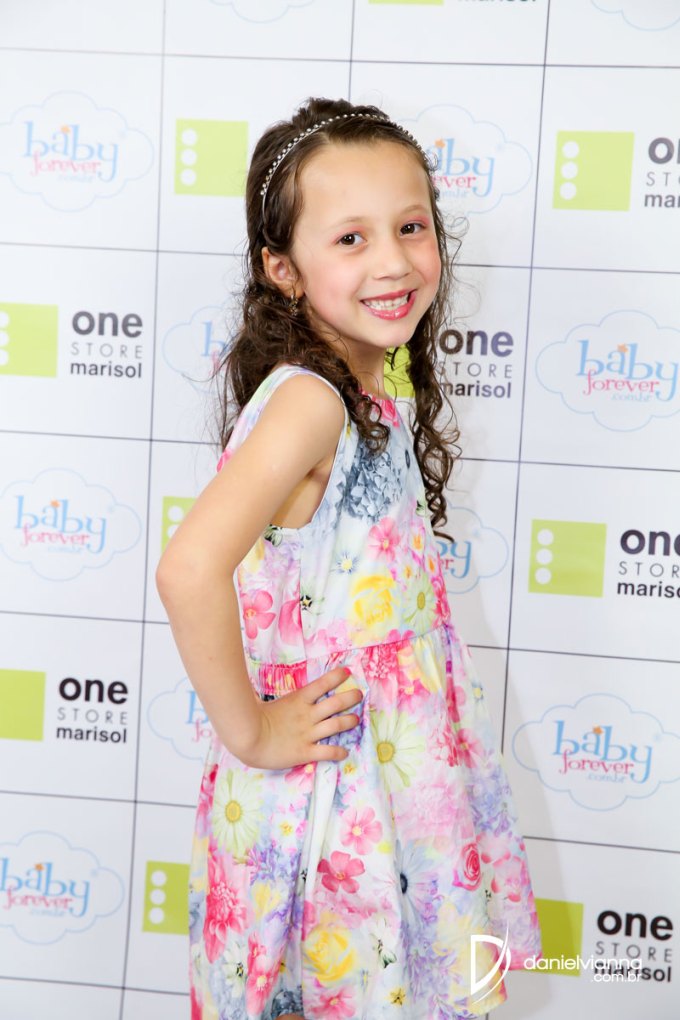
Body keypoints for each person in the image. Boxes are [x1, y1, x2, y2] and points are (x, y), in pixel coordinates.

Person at [156, 96, 541, 1020]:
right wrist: (253, 732)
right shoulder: (311, 403)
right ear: (283, 269)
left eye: (411, 227)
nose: (394, 262)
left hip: (398, 774)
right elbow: (187, 570)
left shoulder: (366, 389)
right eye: (350, 239)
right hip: (335, 802)